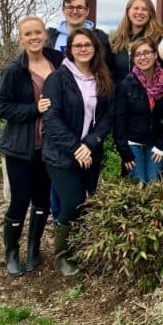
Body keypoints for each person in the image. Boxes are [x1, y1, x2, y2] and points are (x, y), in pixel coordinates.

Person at [42, 28, 114, 276]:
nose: (83, 49)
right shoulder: (57, 79)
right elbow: (51, 119)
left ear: (95, 48)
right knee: (72, 201)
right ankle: (62, 255)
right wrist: (75, 148)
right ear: (70, 50)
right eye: (77, 45)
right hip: (61, 155)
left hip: (90, 153)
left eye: (87, 45)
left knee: (87, 202)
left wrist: (90, 144)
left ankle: (81, 247)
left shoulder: (102, 76)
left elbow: (107, 117)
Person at [0, 16, 63, 276]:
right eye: (28, 34)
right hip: (21, 147)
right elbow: (4, 109)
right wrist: (34, 109)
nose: (34, 37)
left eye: (38, 32)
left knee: (42, 199)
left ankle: (34, 248)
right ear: (21, 38)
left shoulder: (57, 62)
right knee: (20, 200)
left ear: (44, 35)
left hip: (50, 147)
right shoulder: (14, 70)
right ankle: (12, 251)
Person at [46, 0, 114, 223]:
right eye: (70, 7)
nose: (75, 11)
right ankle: (60, 226)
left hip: (89, 137)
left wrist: (90, 143)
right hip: (62, 134)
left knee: (82, 199)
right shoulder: (51, 37)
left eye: (80, 7)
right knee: (66, 197)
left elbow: (107, 110)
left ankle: (71, 231)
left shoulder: (101, 40)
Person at [113, 37, 163, 185]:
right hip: (132, 142)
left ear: (155, 54)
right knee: (139, 183)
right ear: (133, 58)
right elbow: (119, 120)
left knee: (154, 182)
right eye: (138, 54)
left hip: (156, 142)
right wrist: (125, 152)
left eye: (147, 52)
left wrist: (162, 145)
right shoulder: (126, 84)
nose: (143, 57)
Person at [111, 0, 163, 85]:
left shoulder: (159, 39)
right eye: (136, 8)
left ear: (150, 13)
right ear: (128, 11)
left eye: (144, 9)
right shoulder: (117, 41)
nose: (140, 12)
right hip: (120, 97)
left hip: (150, 96)